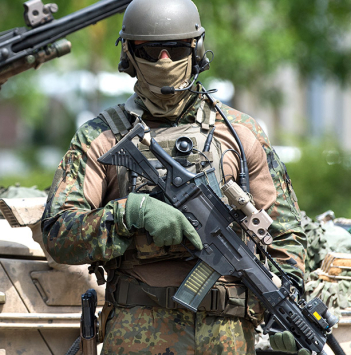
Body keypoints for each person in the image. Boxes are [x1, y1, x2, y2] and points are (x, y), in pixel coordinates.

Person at [41, 0, 308, 354]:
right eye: (151, 49)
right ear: (129, 53)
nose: (164, 60)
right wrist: (128, 214)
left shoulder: (242, 134)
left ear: (196, 50)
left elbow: (285, 235)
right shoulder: (102, 136)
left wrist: (287, 309)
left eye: (176, 48)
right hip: (137, 334)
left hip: (228, 338)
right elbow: (59, 233)